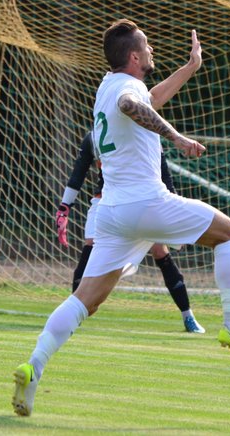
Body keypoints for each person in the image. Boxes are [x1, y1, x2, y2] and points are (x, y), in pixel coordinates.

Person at [13, 19, 230, 417]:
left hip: (112, 214)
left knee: (85, 301)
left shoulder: (107, 84)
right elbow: (133, 106)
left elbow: (145, 98)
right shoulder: (125, 93)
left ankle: (34, 365)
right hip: (145, 203)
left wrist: (190, 68)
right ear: (134, 57)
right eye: (147, 47)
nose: (151, 51)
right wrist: (178, 138)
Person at [55, 130, 205, 333]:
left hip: (143, 200)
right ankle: (73, 318)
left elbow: (164, 174)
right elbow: (77, 174)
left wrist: (176, 213)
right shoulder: (94, 137)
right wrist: (64, 207)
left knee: (160, 252)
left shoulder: (147, 135)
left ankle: (188, 316)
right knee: (91, 247)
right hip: (107, 201)